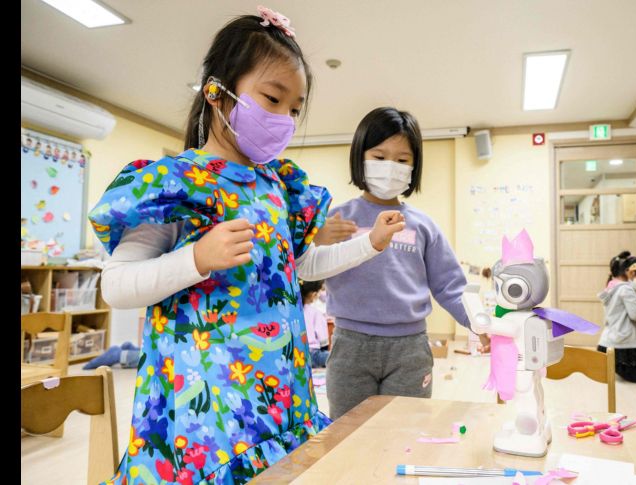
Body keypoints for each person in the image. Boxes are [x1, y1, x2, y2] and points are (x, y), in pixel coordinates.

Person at [87, 9, 405, 483]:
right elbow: (115, 286)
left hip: (279, 402)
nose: (284, 120)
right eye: (272, 99)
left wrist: (370, 246)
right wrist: (196, 258)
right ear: (217, 93)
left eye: (294, 109)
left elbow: (295, 268)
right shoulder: (179, 183)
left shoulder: (278, 187)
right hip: (201, 423)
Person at [318, 107, 472, 419]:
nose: (390, 168)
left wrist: (479, 324)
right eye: (379, 157)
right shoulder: (336, 219)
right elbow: (311, 267)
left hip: (409, 348)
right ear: (360, 157)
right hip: (350, 345)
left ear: (414, 168)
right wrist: (317, 238)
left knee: (406, 429)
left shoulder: (422, 225)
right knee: (346, 434)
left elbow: (450, 286)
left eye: (402, 161)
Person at [597, 252, 636, 383]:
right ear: (631, 273)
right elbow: (635, 313)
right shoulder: (625, 289)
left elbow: (633, 301)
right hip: (622, 346)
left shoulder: (612, 286)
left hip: (607, 343)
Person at [299, 279, 330, 368]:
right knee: (334, 357)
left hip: (298, 354)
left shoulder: (295, 312)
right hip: (313, 354)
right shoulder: (315, 312)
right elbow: (323, 340)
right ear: (314, 294)